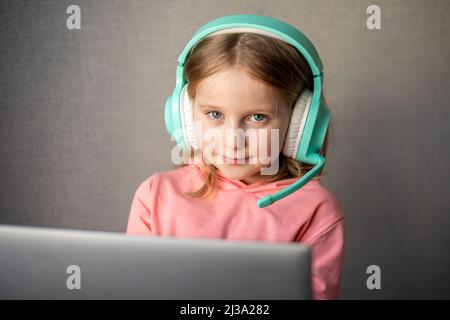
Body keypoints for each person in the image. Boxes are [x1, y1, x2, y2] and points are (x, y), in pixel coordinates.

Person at [127, 20, 345, 300]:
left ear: (300, 125)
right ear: (186, 114)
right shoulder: (155, 196)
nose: (232, 139)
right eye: (215, 115)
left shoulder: (315, 210)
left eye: (257, 117)